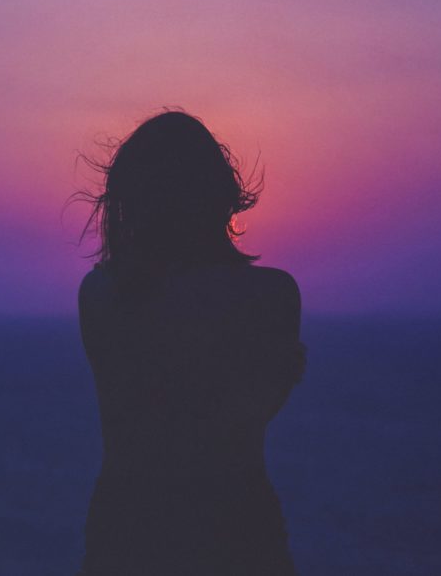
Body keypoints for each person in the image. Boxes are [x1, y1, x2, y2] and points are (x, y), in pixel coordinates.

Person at [75, 110, 306, 575]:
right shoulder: (272, 296)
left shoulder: (100, 295)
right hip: (235, 530)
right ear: (221, 196)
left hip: (126, 531)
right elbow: (249, 410)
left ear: (130, 202)